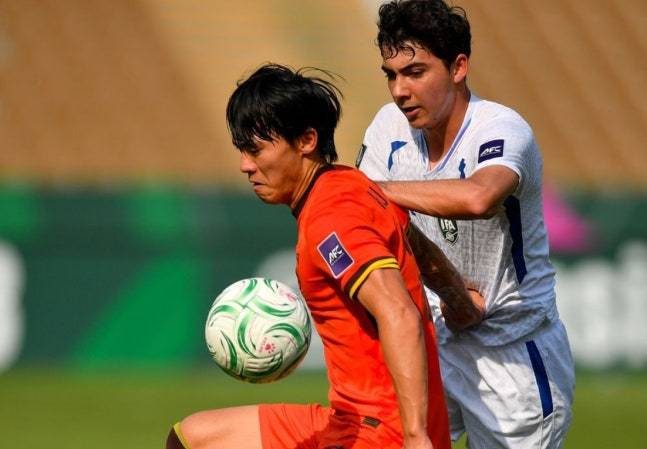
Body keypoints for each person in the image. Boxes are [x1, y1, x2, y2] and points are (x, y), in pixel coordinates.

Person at [166, 63, 483, 449]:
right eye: (242, 150)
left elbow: (398, 312)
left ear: (306, 140)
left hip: (379, 434)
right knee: (191, 438)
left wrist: (416, 437)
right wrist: (461, 303)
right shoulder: (350, 185)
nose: (245, 165)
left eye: (256, 149)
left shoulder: (332, 219)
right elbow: (416, 244)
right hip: (356, 419)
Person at [356, 1, 576, 448]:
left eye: (415, 72)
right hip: (433, 341)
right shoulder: (388, 128)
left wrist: (373, 190)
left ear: (458, 67)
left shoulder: (501, 129)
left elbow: (478, 197)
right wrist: (451, 291)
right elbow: (373, 218)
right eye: (391, 75)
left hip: (511, 356)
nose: (400, 91)